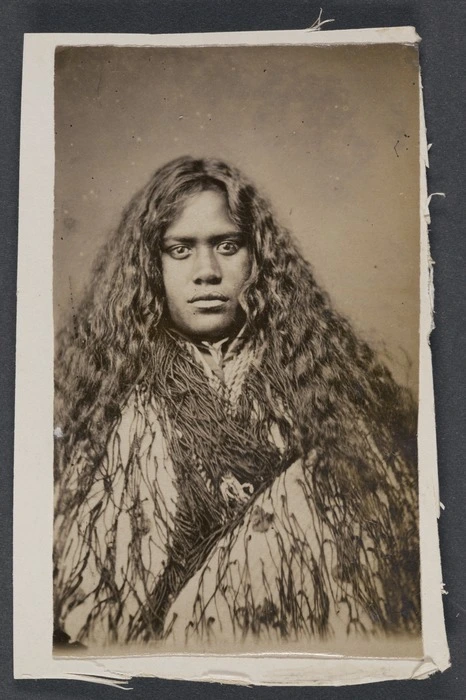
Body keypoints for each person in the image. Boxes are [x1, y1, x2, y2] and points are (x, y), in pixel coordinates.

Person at [53, 156, 420, 651]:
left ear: (257, 257)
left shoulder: (323, 380)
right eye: (179, 249)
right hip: (168, 649)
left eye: (228, 246)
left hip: (314, 645)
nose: (207, 272)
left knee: (334, 470)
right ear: (150, 264)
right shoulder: (112, 400)